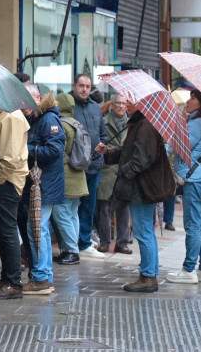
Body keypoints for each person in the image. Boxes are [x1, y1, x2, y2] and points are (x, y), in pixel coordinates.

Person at [103, 100, 168, 293]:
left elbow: (141, 159)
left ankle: (147, 276)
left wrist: (125, 172)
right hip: (142, 186)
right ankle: (150, 273)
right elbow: (128, 152)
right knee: (147, 230)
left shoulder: (145, 125)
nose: (127, 105)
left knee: (143, 231)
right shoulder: (140, 123)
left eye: (131, 102)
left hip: (141, 187)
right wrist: (109, 152)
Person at [167, 90, 201, 284]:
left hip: (195, 180)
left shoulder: (195, 124)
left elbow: (179, 147)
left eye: (193, 98)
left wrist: (180, 124)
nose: (188, 101)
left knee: (193, 225)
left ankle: (189, 269)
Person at [23, 86, 66, 295]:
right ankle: (44, 275)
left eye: (27, 99)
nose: (23, 104)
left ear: (38, 98)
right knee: (41, 230)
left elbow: (54, 150)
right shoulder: (39, 117)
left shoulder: (47, 119)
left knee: (37, 230)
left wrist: (26, 149)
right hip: (44, 183)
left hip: (44, 184)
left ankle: (41, 278)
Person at [0, 106, 30, 300]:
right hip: (2, 180)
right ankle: (7, 279)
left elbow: (11, 159)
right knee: (1, 230)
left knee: (7, 229)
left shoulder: (11, 117)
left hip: (7, 182)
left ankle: (13, 283)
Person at [71, 74, 108, 261]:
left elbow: (103, 133)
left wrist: (102, 145)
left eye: (87, 86)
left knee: (89, 205)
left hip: (95, 164)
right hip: (75, 166)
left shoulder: (95, 107)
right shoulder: (69, 106)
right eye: (81, 85)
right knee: (71, 207)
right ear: (74, 86)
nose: (84, 89)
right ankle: (70, 243)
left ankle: (84, 242)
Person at [51, 94, 89, 265]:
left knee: (61, 214)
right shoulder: (76, 123)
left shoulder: (61, 124)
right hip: (79, 176)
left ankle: (72, 251)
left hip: (66, 176)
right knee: (73, 214)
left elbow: (58, 151)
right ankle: (71, 249)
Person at [97, 94, 132, 254]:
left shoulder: (132, 124)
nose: (120, 106)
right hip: (107, 169)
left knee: (124, 208)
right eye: (117, 102)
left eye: (123, 103)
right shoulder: (103, 122)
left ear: (126, 106)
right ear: (111, 105)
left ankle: (122, 242)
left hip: (125, 171)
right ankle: (105, 242)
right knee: (104, 208)